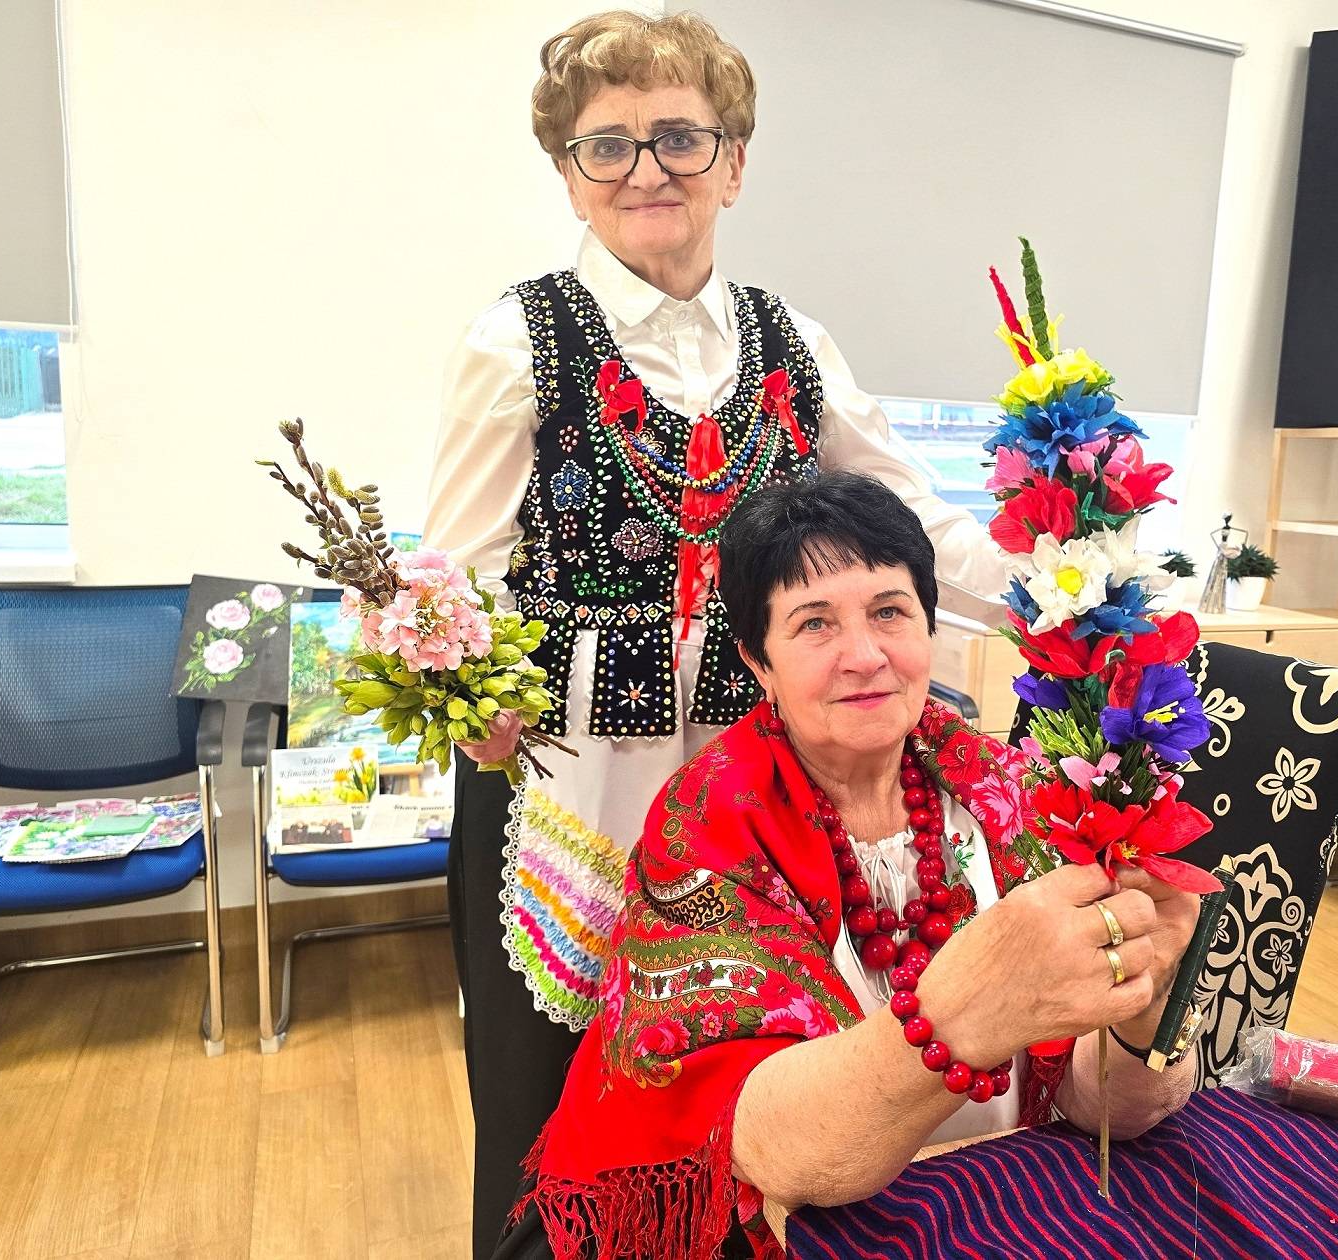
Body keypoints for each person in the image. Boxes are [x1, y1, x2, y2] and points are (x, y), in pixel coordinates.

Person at [421, 13, 1011, 1255]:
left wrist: (1056, 599)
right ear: (568, 174)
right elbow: (455, 576)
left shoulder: (796, 342)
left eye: (680, 138)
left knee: (740, 1078)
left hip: (755, 782)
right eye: (608, 145)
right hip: (569, 785)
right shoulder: (515, 339)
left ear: (733, 164)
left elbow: (906, 523)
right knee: (546, 1105)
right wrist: (474, 700)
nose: (646, 170)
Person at [506, 473, 1202, 1260]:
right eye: (814, 623)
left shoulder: (1011, 797)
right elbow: (779, 1158)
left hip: (997, 1206)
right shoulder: (705, 830)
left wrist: (1143, 1003)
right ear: (758, 660)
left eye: (890, 612)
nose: (865, 656)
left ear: (929, 628)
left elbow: (1097, 1110)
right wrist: (969, 1011)